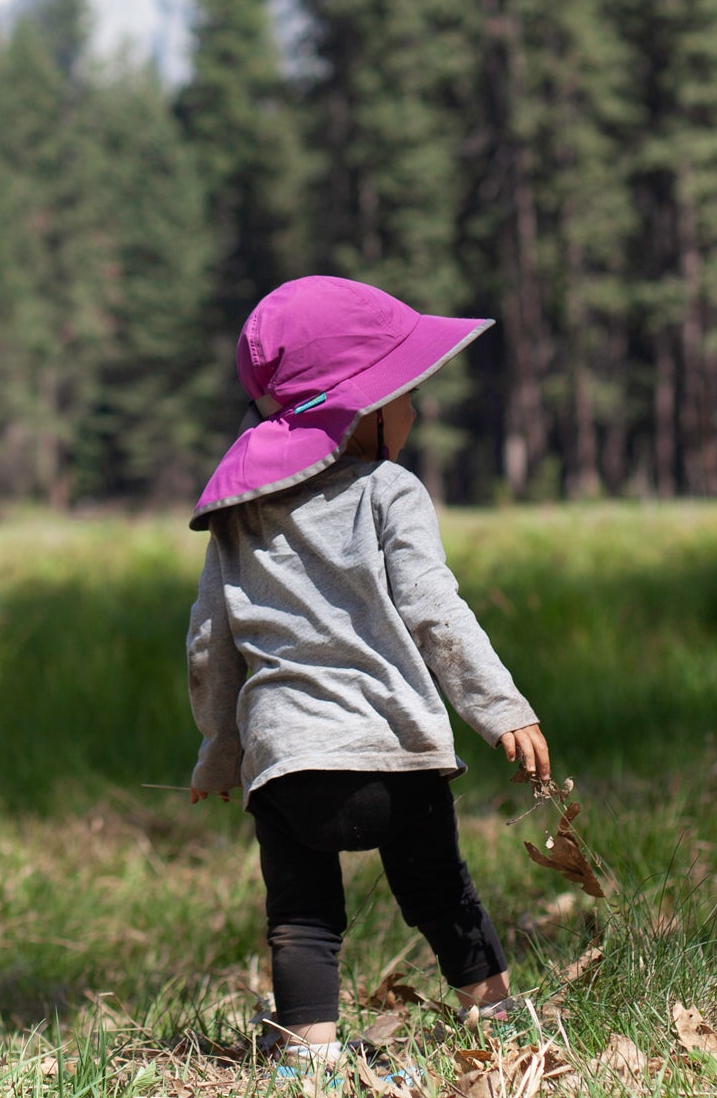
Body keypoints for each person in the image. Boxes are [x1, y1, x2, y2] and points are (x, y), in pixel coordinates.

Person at [185, 276, 549, 1074]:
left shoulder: (242, 516)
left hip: (286, 766)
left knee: (304, 918)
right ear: (360, 411)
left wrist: (220, 750)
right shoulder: (390, 492)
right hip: (393, 756)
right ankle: (498, 1026)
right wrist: (502, 709)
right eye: (407, 395)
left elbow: (212, 643)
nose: (415, 413)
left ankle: (309, 1061)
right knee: (440, 893)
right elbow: (436, 612)